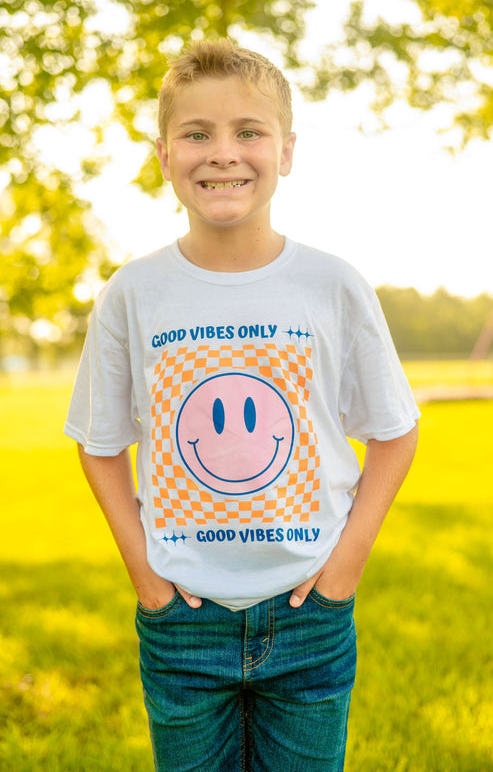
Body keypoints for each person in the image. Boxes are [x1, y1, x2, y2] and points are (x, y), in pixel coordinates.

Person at [64, 38, 420, 772]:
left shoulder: (332, 284)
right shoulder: (133, 292)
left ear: (286, 151)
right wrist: (147, 581)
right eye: (196, 134)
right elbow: (99, 443)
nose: (222, 153)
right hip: (182, 621)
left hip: (309, 618)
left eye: (247, 132)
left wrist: (341, 571)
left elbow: (394, 433)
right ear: (164, 155)